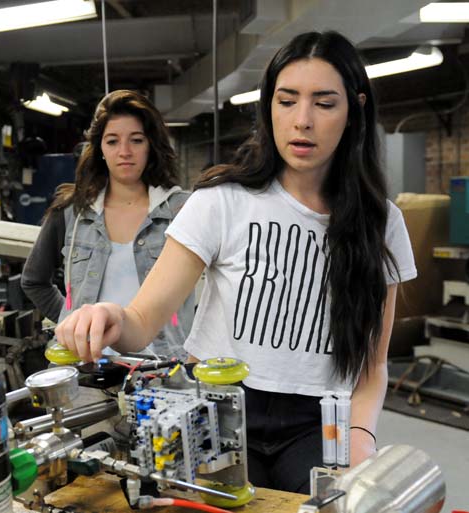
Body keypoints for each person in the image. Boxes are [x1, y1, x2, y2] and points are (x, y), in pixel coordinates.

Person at [54, 31, 417, 493]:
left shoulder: (382, 224)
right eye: (287, 101)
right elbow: (141, 320)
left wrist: (360, 440)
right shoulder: (221, 200)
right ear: (269, 108)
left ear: (354, 110)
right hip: (218, 409)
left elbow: (373, 366)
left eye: (324, 103)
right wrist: (107, 316)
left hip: (316, 422)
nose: (302, 121)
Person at [22, 89, 193, 360]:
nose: (124, 152)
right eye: (112, 141)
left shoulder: (183, 210)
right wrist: (73, 322)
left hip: (162, 368)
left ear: (151, 145)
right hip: (85, 367)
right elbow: (33, 281)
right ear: (100, 148)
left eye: (136, 140)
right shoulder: (72, 212)